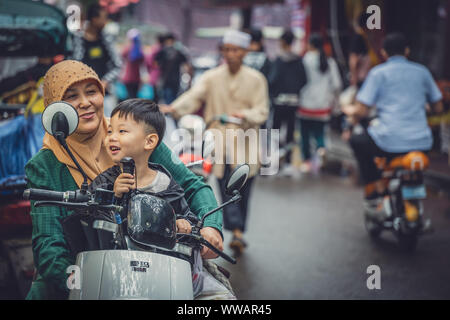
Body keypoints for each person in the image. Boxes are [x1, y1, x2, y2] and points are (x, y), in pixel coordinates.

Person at [24, 60, 224, 299]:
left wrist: (211, 226)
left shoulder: (135, 137)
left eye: (92, 92)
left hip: (155, 261)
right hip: (83, 269)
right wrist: (76, 282)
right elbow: (49, 245)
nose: (85, 102)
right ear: (55, 108)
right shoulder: (44, 165)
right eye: (70, 97)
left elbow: (193, 185)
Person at [160, 29, 269, 256]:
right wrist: (174, 108)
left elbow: (262, 110)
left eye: (235, 50)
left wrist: (246, 115)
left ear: (245, 52)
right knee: (225, 186)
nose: (230, 54)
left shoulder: (257, 79)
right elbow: (194, 96)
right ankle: (236, 230)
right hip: (218, 140)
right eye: (226, 49)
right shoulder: (211, 77)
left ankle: (238, 229)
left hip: (245, 141)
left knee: (244, 187)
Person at [342, 33, 443, 215]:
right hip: (423, 143)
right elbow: (438, 106)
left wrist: (349, 111)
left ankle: (374, 190)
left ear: (384, 53)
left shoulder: (378, 73)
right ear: (407, 51)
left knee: (357, 140)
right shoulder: (422, 72)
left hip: (389, 142)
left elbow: (362, 110)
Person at [298, 33, 342, 173]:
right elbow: (337, 84)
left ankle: (307, 162)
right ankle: (321, 151)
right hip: (323, 105)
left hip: (305, 103)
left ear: (310, 44)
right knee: (319, 133)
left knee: (304, 134)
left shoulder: (305, 60)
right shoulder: (330, 62)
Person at [268, 29, 307, 176]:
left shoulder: (279, 60)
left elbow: (272, 79)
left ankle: (275, 161)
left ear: (282, 42)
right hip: (294, 101)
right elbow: (304, 79)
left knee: (275, 131)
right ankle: (288, 162)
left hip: (279, 101)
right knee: (290, 132)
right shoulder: (298, 60)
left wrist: (275, 93)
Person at [70, 3, 122, 93]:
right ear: (94, 19)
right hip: (81, 92)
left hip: (104, 94)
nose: (106, 22)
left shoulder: (107, 40)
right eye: (104, 18)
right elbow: (72, 63)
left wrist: (105, 81)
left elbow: (118, 65)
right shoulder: (77, 39)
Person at [155, 33, 188, 104]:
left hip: (168, 80)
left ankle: (169, 112)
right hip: (173, 80)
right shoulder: (178, 52)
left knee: (168, 98)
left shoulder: (162, 51)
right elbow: (185, 65)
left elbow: (156, 64)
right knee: (172, 98)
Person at [120, 29, 144, 100]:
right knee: (135, 97)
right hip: (137, 78)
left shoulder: (127, 49)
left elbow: (121, 58)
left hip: (127, 77)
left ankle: (130, 111)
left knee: (129, 97)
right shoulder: (140, 51)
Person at [145, 34, 166, 103]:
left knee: (154, 94)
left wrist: (150, 70)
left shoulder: (155, 49)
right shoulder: (165, 49)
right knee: (159, 95)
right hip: (163, 75)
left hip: (155, 74)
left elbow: (148, 61)